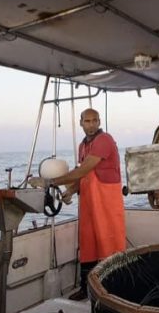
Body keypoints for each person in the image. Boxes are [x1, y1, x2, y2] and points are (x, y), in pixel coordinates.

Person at [29, 108, 126, 301]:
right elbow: (83, 175)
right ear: (80, 123)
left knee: (110, 242)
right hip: (88, 201)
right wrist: (70, 191)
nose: (91, 125)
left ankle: (114, 292)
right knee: (88, 243)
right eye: (87, 121)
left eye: (94, 121)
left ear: (99, 121)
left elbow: (85, 169)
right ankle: (86, 288)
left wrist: (48, 182)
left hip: (107, 201)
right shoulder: (83, 145)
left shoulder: (104, 140)